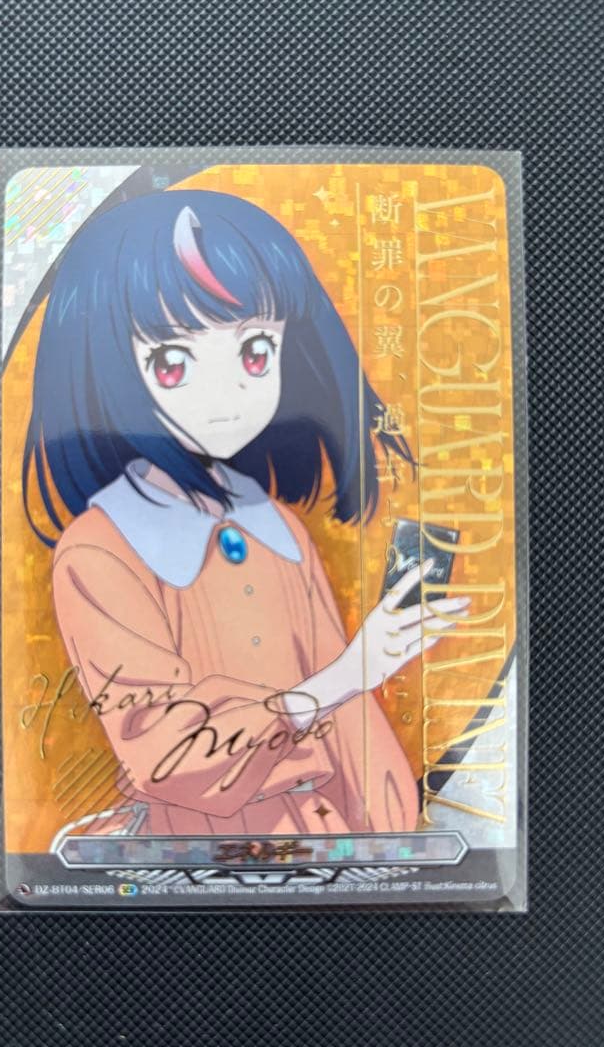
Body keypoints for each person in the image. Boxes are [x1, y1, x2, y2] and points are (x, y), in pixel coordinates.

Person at [24, 189, 470, 837]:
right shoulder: (101, 549)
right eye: (172, 362)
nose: (228, 393)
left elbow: (355, 728)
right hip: (197, 852)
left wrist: (391, 843)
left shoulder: (277, 526)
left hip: (327, 841)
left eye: (256, 352)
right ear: (108, 368)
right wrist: (342, 678)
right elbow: (166, 753)